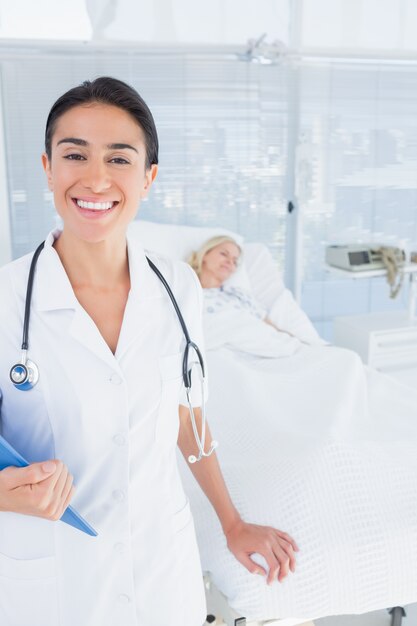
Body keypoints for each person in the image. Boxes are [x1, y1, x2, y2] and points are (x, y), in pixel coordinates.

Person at [0, 77, 298, 626]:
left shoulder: (180, 290)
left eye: (119, 158)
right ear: (47, 168)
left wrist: (231, 523)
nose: (95, 178)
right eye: (75, 154)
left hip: (162, 569)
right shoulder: (6, 299)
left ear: (148, 177)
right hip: (52, 581)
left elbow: (188, 417)